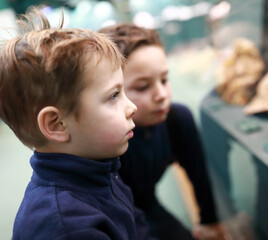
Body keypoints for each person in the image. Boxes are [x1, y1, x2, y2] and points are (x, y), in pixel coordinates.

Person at [0, 8, 154, 240]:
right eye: (113, 96)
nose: (132, 107)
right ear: (57, 124)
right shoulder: (65, 227)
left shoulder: (101, 169)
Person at [99, 24, 227, 240]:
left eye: (164, 80)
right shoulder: (104, 142)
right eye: (142, 87)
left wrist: (209, 220)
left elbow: (199, 174)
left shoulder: (176, 120)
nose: (161, 95)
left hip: (148, 207)